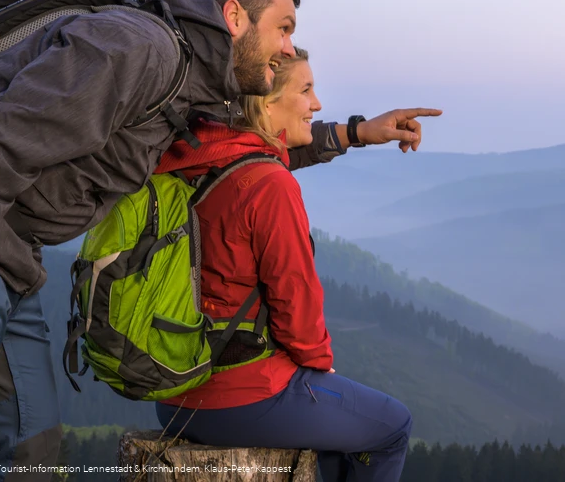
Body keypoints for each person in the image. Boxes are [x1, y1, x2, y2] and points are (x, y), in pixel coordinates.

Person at [0, 0, 437, 480]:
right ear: (235, 17)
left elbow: (249, 153)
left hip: (16, 258)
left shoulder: (186, 86)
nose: (289, 48)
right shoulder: (141, 51)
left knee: (31, 456)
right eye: (284, 29)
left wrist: (356, 133)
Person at [154, 48, 415, 482]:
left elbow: (279, 153)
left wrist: (361, 131)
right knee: (393, 428)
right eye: (306, 90)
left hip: (174, 393)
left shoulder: (197, 158)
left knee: (334, 450)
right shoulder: (270, 184)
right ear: (267, 102)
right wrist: (320, 363)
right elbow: (296, 303)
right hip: (243, 397)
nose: (316, 104)